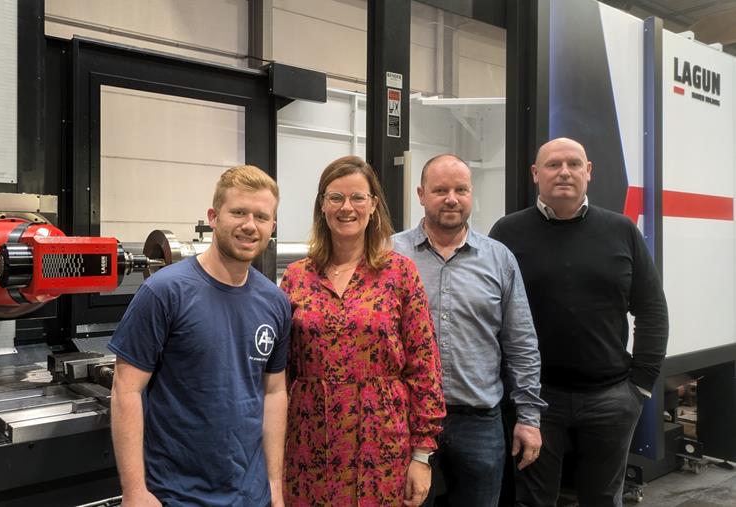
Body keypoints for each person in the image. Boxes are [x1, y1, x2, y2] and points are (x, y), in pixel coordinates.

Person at [489, 138, 669, 507]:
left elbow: (652, 309)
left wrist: (641, 386)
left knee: (602, 499)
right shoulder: (507, 233)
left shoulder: (622, 231)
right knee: (533, 500)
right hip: (534, 400)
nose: (564, 172)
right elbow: (489, 314)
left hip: (612, 398)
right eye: (553, 165)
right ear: (536, 174)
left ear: (589, 171)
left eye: (573, 164)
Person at [108, 165, 291, 506]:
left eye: (261, 217)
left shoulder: (275, 302)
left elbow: (274, 393)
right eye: (238, 212)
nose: (250, 225)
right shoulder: (164, 292)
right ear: (213, 216)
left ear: (272, 227)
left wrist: (275, 485)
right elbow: (126, 389)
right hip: (176, 495)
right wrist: (134, 491)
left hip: (250, 495)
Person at [280, 155, 446, 506]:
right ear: (322, 206)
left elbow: (424, 366)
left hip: (380, 443)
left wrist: (421, 455)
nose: (347, 207)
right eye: (336, 197)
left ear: (373, 206)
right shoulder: (297, 276)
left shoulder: (400, 273)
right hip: (309, 440)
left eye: (358, 197)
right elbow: (280, 370)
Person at [392, 154, 546, 507]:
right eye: (440, 189)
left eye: (460, 189)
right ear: (421, 193)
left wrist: (529, 417)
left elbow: (521, 343)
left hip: (478, 423)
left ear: (471, 193)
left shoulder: (499, 258)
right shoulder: (391, 254)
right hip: (405, 421)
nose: (451, 198)